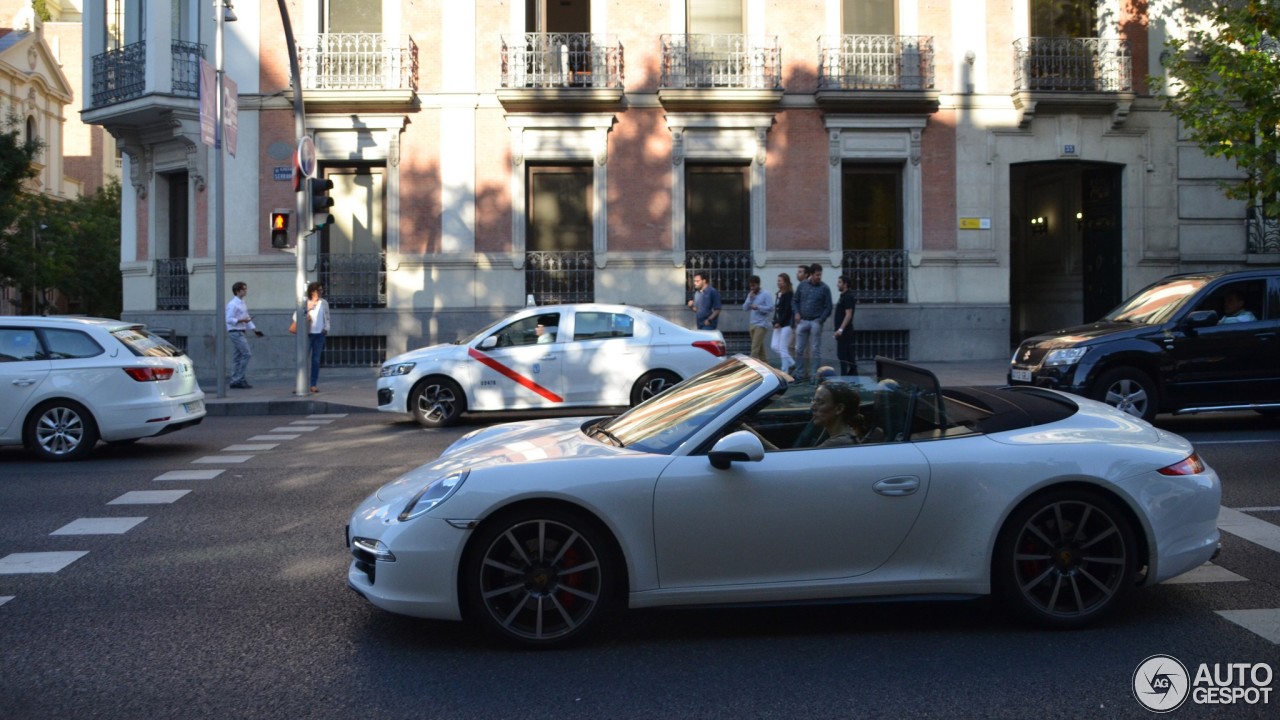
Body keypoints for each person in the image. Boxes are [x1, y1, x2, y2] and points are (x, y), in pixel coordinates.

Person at [792, 264, 832, 380]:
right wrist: (797, 313)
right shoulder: (802, 285)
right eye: (817, 275)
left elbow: (828, 307)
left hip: (816, 321)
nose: (819, 277)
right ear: (811, 274)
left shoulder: (825, 288)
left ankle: (814, 375)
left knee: (815, 349)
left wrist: (821, 319)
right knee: (799, 349)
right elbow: (795, 301)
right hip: (803, 320)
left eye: (820, 274)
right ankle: (799, 374)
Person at [224, 281, 261, 389]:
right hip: (235, 332)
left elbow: (247, 317)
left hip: (240, 331)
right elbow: (229, 319)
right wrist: (241, 320)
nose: (246, 291)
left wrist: (254, 329)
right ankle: (238, 379)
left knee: (238, 357)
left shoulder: (242, 302)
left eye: (245, 289)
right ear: (237, 291)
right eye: (244, 289)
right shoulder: (232, 304)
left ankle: (235, 379)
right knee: (246, 354)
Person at [305, 281, 330, 393]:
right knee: (302, 360)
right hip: (307, 334)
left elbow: (327, 317)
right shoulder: (306, 302)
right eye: (319, 290)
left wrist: (326, 329)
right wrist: (308, 308)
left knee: (315, 360)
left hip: (319, 334)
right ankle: (300, 384)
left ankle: (313, 384)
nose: (321, 292)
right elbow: (297, 316)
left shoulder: (324, 303)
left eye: (321, 290)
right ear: (312, 291)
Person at [742, 275, 773, 364]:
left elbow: (770, 308)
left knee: (754, 348)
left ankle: (750, 367)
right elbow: (744, 308)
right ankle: (767, 366)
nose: (752, 288)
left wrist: (758, 307)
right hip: (752, 324)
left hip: (762, 324)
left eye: (754, 286)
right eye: (750, 286)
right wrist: (750, 299)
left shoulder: (765, 294)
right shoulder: (750, 294)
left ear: (758, 284)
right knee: (760, 349)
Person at [833, 274, 858, 376]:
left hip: (845, 332)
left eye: (839, 282)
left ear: (845, 284)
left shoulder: (848, 297)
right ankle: (853, 376)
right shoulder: (843, 296)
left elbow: (848, 314)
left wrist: (840, 330)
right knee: (845, 356)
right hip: (842, 332)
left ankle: (846, 377)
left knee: (845, 356)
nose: (837, 284)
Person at [771, 273, 795, 374]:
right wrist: (775, 321)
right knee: (774, 346)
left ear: (785, 282)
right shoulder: (779, 294)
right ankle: (791, 362)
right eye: (778, 280)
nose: (778, 282)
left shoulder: (789, 294)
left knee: (783, 347)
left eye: (780, 281)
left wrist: (780, 322)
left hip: (786, 324)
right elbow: (777, 309)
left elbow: (787, 310)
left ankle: (784, 371)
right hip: (778, 323)